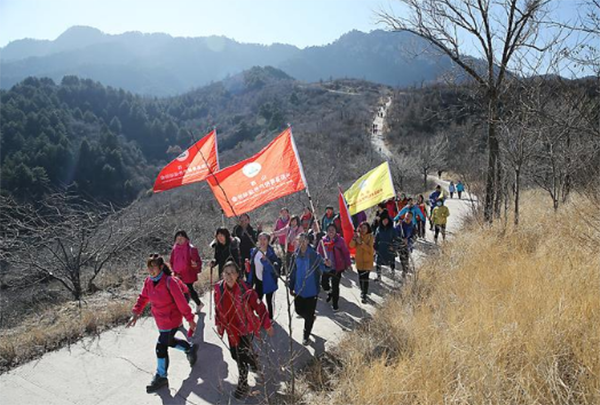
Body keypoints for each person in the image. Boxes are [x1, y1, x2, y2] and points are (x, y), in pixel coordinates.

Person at [127, 255, 197, 394]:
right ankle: (189, 348)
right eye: (149, 267)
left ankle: (161, 376)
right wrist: (135, 313)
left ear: (160, 267)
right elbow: (143, 298)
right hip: (160, 320)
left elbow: (181, 302)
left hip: (172, 319)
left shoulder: (170, 282)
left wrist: (190, 319)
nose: (151, 270)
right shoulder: (148, 281)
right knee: (169, 342)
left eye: (154, 266)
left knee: (161, 346)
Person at [215, 262, 274, 399]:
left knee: (240, 356)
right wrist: (219, 323)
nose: (229, 276)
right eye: (226, 273)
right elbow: (218, 308)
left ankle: (243, 384)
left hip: (245, 328)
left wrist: (267, 324)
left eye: (232, 273)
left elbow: (260, 307)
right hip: (231, 329)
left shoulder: (245, 290)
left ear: (237, 275)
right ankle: (254, 362)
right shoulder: (219, 288)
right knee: (236, 355)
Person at [289, 233, 325, 345]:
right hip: (299, 289)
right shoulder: (295, 256)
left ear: (308, 241)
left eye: (303, 241)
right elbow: (292, 272)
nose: (301, 243)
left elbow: (324, 268)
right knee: (299, 310)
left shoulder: (314, 255)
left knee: (308, 315)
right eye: (299, 241)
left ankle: (306, 336)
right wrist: (291, 286)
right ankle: (310, 318)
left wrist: (328, 264)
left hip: (312, 290)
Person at [317, 224, 352, 311]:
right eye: (329, 230)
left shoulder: (340, 241)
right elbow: (318, 253)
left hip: (337, 267)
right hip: (326, 267)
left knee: (335, 285)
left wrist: (348, 264)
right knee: (324, 283)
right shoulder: (323, 241)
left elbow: (346, 253)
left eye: (333, 229)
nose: (331, 231)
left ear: (336, 231)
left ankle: (335, 304)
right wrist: (322, 261)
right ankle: (330, 293)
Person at [247, 232, 281, 320]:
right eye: (260, 239)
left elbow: (274, 270)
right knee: (257, 300)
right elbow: (253, 266)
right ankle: (260, 316)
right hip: (258, 281)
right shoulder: (254, 251)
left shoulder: (272, 254)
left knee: (269, 301)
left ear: (268, 241)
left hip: (269, 281)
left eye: (264, 239)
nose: (262, 241)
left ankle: (270, 319)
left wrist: (266, 261)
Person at [170, 230, 203, 314]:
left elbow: (198, 261)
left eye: (181, 238)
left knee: (187, 290)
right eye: (178, 239)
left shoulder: (191, 248)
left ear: (186, 239)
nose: (180, 240)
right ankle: (198, 304)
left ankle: (184, 311)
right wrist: (174, 271)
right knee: (188, 291)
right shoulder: (175, 249)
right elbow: (172, 260)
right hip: (178, 273)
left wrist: (195, 264)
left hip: (188, 273)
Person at [349, 222, 375, 304]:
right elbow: (351, 246)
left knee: (365, 278)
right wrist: (354, 239)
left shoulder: (370, 237)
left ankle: (364, 294)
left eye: (365, 228)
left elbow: (370, 250)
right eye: (362, 228)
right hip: (359, 261)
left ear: (368, 229)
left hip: (367, 261)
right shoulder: (357, 236)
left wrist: (361, 243)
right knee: (360, 277)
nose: (363, 230)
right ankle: (362, 290)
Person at [374, 213, 399, 281]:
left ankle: (392, 273)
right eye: (383, 220)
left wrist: (393, 247)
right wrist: (375, 247)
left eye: (386, 220)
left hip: (389, 248)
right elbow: (376, 239)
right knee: (378, 262)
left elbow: (396, 239)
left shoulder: (392, 229)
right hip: (381, 248)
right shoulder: (378, 229)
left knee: (391, 262)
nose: (385, 221)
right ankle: (378, 276)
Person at [397, 212, 415, 277]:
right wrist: (398, 225)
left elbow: (414, 236)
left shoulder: (412, 226)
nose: (407, 218)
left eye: (409, 216)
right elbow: (395, 233)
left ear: (412, 218)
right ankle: (404, 270)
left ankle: (405, 269)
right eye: (406, 216)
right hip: (400, 244)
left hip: (408, 245)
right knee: (402, 258)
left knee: (406, 258)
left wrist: (408, 240)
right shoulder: (400, 225)